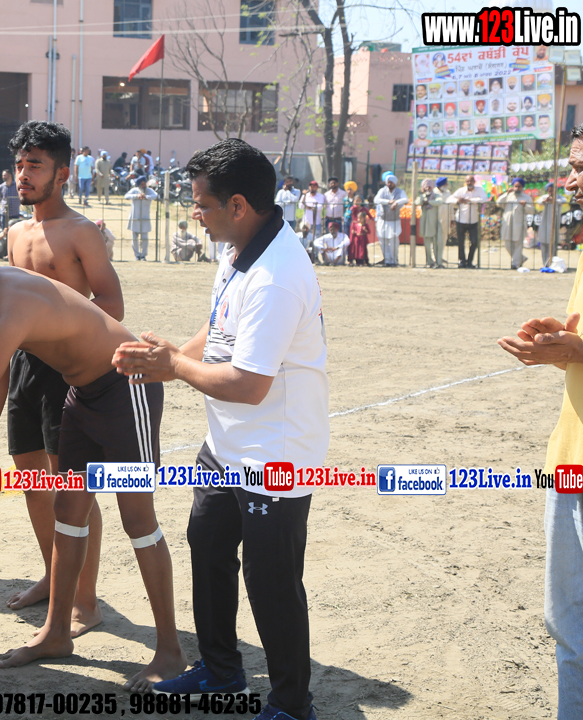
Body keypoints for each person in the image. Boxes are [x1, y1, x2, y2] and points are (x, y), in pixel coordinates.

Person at [0, 228, 185, 692]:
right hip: (82, 396)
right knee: (68, 512)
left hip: (126, 388)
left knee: (138, 520)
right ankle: (56, 634)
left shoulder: (7, 310)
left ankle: (170, 650)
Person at [115, 138, 327, 720]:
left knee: (271, 580)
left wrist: (173, 367)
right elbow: (219, 331)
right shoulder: (237, 251)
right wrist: (166, 358)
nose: (194, 214)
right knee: (207, 546)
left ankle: (291, 704)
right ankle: (220, 670)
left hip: (276, 454)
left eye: (201, 204)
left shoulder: (277, 275)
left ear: (238, 205)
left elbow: (248, 384)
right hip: (227, 445)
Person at [3, 121, 123, 631]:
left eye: (35, 165)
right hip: (24, 365)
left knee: (72, 488)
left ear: (63, 174)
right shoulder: (15, 233)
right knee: (32, 478)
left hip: (69, 371)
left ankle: (86, 600)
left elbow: (111, 303)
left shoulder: (81, 232)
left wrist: (71, 340)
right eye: (19, 164)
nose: (23, 174)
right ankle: (55, 579)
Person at [497, 122, 583, 720]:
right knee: (567, 624)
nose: (570, 180)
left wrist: (574, 349)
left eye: (579, 167)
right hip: (569, 462)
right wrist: (561, 344)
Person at [447, 174, 487, 268]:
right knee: (461, 242)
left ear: (474, 182)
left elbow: (484, 199)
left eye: (471, 181)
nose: (469, 183)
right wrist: (458, 201)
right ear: (465, 182)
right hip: (461, 220)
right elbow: (449, 199)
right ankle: (462, 261)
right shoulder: (461, 190)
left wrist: (469, 200)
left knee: (474, 242)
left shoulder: (479, 190)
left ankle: (469, 261)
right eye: (467, 181)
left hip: (473, 220)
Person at [498, 177, 534, 270]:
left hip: (519, 224)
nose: (517, 188)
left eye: (519, 186)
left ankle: (515, 263)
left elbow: (532, 210)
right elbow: (498, 202)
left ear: (522, 187)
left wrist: (525, 205)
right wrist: (506, 193)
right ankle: (521, 258)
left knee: (518, 244)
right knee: (507, 244)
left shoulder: (526, 197)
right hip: (508, 224)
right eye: (516, 186)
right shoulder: (509, 195)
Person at [373, 174, 408, 267]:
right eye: (388, 182)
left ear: (394, 183)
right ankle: (387, 260)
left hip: (394, 220)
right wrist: (388, 202)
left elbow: (406, 199)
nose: (389, 184)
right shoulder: (382, 191)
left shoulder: (400, 191)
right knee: (382, 240)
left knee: (393, 241)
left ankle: (394, 260)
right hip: (382, 219)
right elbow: (376, 200)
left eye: (391, 182)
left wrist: (396, 202)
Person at [126, 176, 157, 261]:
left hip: (145, 218)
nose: (143, 185)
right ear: (138, 184)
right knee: (134, 238)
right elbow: (126, 196)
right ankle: (137, 255)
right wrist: (137, 196)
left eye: (144, 184)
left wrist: (146, 197)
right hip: (135, 217)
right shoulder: (134, 190)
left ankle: (143, 255)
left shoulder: (149, 191)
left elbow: (155, 196)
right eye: (141, 184)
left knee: (144, 238)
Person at [418, 178, 446, 268]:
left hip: (435, 224)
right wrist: (423, 197)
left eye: (429, 186)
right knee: (427, 246)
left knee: (438, 244)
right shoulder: (422, 196)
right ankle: (429, 262)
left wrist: (429, 202)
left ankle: (439, 262)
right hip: (425, 224)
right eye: (426, 187)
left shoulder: (436, 195)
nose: (428, 188)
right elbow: (417, 202)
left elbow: (440, 201)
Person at [536, 182, 564, 267]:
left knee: (553, 243)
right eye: (549, 191)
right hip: (544, 223)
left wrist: (554, 200)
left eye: (553, 190)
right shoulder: (544, 197)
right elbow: (538, 201)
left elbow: (563, 201)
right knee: (544, 242)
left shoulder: (559, 197)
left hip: (554, 223)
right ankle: (545, 263)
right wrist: (545, 201)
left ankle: (552, 262)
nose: (551, 192)